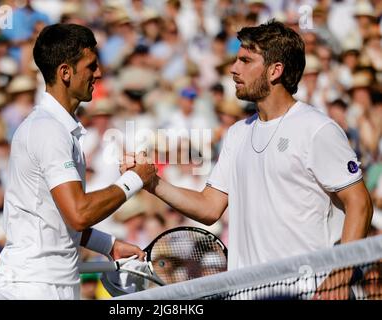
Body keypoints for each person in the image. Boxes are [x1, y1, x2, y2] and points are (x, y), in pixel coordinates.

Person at [136, 20, 373, 298]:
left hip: (307, 292)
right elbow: (209, 207)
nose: (234, 69)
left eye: (245, 60)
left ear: (275, 70)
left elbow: (360, 202)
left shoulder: (317, 128)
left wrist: (341, 275)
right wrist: (152, 182)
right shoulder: (237, 133)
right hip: (246, 293)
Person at [0, 24, 156, 300]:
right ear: (65, 72)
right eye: (91, 66)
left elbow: (55, 218)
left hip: (50, 283)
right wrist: (135, 179)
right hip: (33, 286)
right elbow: (78, 213)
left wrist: (109, 244)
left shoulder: (57, 128)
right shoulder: (49, 130)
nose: (99, 73)